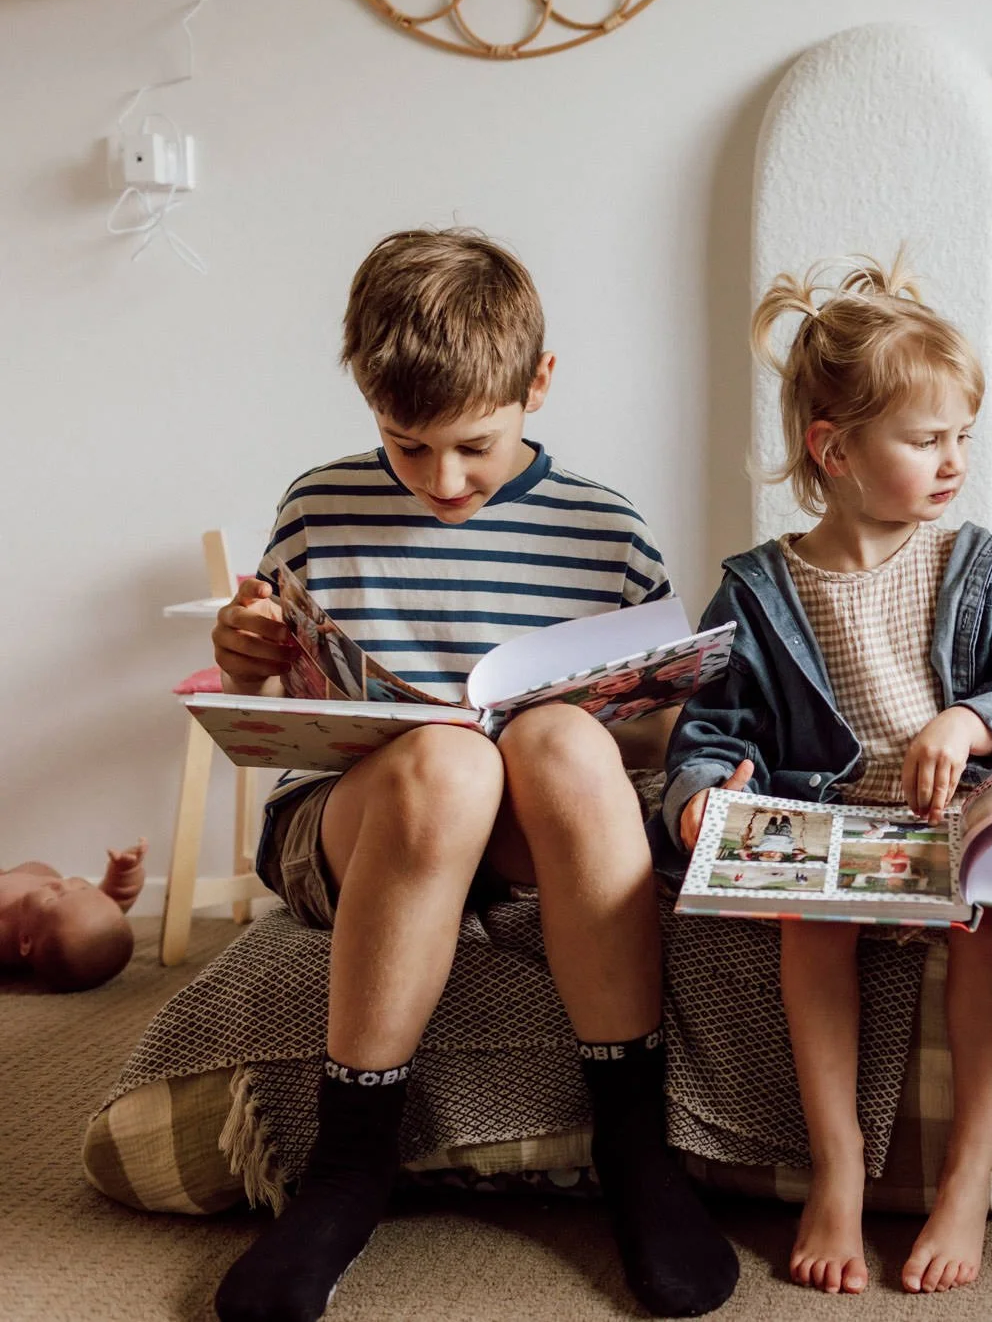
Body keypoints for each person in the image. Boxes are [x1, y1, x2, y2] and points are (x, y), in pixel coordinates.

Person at [207, 228, 737, 1321]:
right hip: (360, 825)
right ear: (367, 403)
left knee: (557, 742)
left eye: (474, 447)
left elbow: (655, 730)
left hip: (533, 828)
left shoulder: (604, 530)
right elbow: (291, 700)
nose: (443, 480)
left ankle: (634, 1145)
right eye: (407, 447)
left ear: (537, 385)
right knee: (446, 764)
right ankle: (349, 1162)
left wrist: (622, 716)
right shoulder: (318, 510)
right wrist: (245, 657)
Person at [661, 256, 992, 1297]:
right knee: (812, 912)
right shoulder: (757, 589)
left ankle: (964, 1178)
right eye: (925, 440)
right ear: (832, 449)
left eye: (962, 438)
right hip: (831, 825)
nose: (953, 463)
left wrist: (970, 721)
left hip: (959, 820)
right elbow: (711, 725)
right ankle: (835, 1168)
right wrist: (702, 794)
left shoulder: (984, 564)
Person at [0, 842, 146, 991]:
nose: (62, 885)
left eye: (50, 900)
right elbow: (118, 896)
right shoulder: (81, 911)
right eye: (82, 888)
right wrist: (124, 873)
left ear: (25, 940)